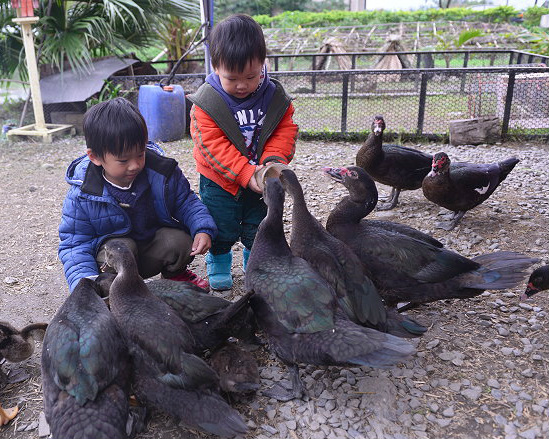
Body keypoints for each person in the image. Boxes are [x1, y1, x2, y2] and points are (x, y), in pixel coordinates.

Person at [59, 97, 217, 293]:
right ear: (95, 157)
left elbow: (186, 202)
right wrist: (85, 287)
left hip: (150, 250)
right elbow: (75, 245)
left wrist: (202, 228)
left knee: (180, 240)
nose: (134, 165)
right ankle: (116, 290)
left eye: (140, 154)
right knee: (121, 247)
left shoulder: (162, 172)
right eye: (123, 160)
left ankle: (175, 275)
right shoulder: (82, 194)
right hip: (112, 263)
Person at [188, 14, 298, 291]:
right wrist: (246, 173)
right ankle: (220, 260)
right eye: (232, 78)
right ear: (215, 67)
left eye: (251, 76)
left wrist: (272, 162)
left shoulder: (274, 96)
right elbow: (212, 147)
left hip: (260, 178)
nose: (242, 85)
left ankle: (255, 261)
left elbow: (283, 130)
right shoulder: (206, 102)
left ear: (263, 63)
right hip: (219, 180)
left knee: (257, 222)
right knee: (220, 223)